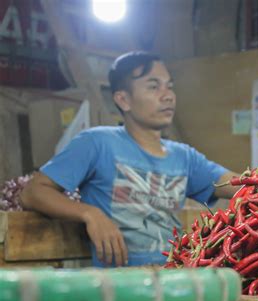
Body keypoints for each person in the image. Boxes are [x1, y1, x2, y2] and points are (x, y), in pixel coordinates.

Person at [20, 51, 240, 267]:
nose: (168, 95)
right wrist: (89, 214)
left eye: (169, 86)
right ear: (123, 100)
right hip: (119, 290)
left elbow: (242, 185)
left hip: (172, 281)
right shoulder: (97, 143)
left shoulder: (185, 157)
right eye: (154, 87)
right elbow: (33, 192)